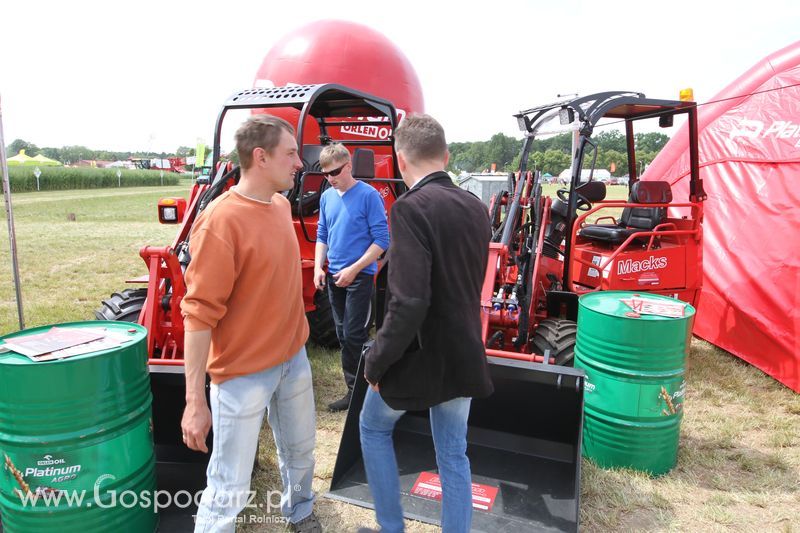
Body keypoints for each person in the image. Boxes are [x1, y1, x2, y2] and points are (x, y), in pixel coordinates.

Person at [180, 115, 320, 533]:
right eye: (291, 153)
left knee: (301, 451)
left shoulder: (278, 205)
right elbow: (199, 314)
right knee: (229, 485)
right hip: (241, 376)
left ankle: (300, 512)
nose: (299, 162)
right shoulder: (221, 223)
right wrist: (194, 401)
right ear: (260, 157)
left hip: (293, 360)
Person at [359, 114, 493, 533]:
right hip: (464, 353)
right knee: (454, 454)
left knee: (371, 428)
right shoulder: (476, 206)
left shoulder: (409, 209)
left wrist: (376, 362)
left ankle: (391, 527)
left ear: (400, 160)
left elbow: (410, 300)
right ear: (446, 155)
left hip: (420, 357)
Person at [314, 143, 389, 412]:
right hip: (334, 275)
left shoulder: (369, 196)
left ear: (348, 166)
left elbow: (382, 240)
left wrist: (354, 269)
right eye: (325, 174)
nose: (330, 179)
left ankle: (358, 390)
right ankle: (357, 387)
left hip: (358, 276)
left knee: (353, 334)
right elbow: (323, 233)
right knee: (342, 334)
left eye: (334, 172)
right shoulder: (327, 196)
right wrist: (317, 268)